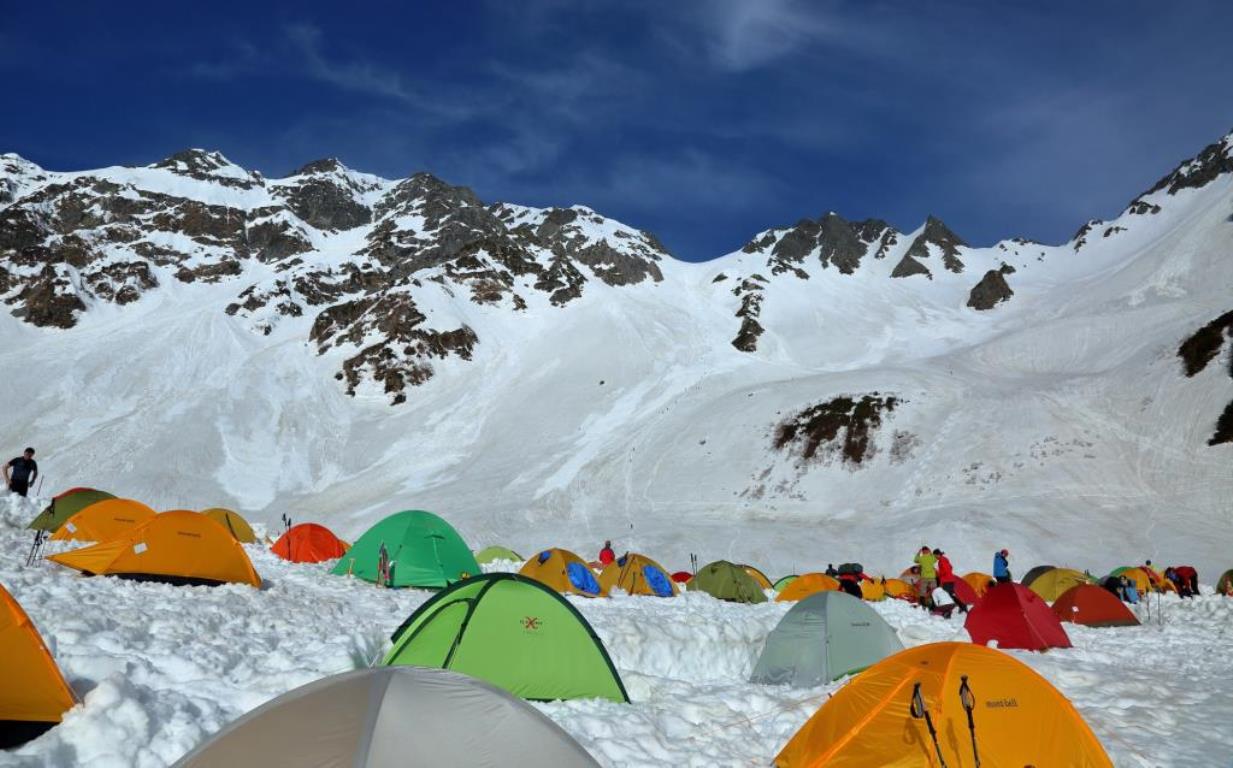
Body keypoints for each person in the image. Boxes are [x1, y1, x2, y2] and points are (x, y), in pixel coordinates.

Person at [934, 548, 968, 613]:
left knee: (947, 596)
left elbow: (946, 569)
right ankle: (962, 606)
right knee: (950, 595)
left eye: (935, 556)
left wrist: (940, 574)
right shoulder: (945, 559)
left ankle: (950, 610)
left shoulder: (942, 560)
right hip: (950, 579)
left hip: (947, 581)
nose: (935, 557)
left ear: (937, 554)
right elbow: (951, 567)